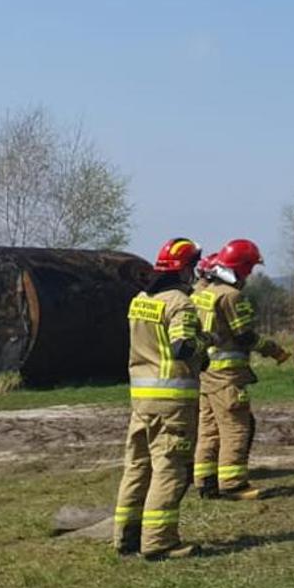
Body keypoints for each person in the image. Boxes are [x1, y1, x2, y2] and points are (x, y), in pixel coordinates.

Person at [113, 238, 206, 559]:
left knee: (137, 466)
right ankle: (159, 542)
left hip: (141, 400)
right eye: (193, 265)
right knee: (169, 469)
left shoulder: (139, 300)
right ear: (184, 268)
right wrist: (202, 347)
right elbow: (182, 347)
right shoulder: (180, 303)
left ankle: (125, 537)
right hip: (172, 402)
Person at [190, 239, 287, 500]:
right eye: (250, 268)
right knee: (236, 427)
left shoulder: (203, 292)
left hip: (206, 372)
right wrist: (273, 349)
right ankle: (233, 483)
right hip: (228, 375)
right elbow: (244, 335)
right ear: (242, 267)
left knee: (208, 428)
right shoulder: (232, 296)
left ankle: (205, 481)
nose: (251, 274)